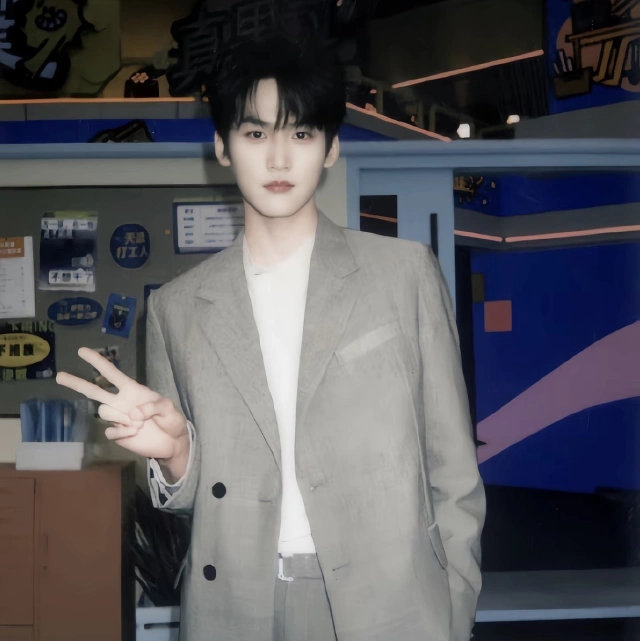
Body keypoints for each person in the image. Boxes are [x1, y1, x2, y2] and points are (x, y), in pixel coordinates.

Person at [57, 33, 485, 641]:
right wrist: (176, 455)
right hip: (237, 606)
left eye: (301, 134)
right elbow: (197, 495)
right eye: (256, 133)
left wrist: (455, 607)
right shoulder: (178, 308)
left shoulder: (403, 275)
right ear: (222, 147)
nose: (279, 159)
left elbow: (454, 468)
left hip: (391, 604)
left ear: (331, 148)